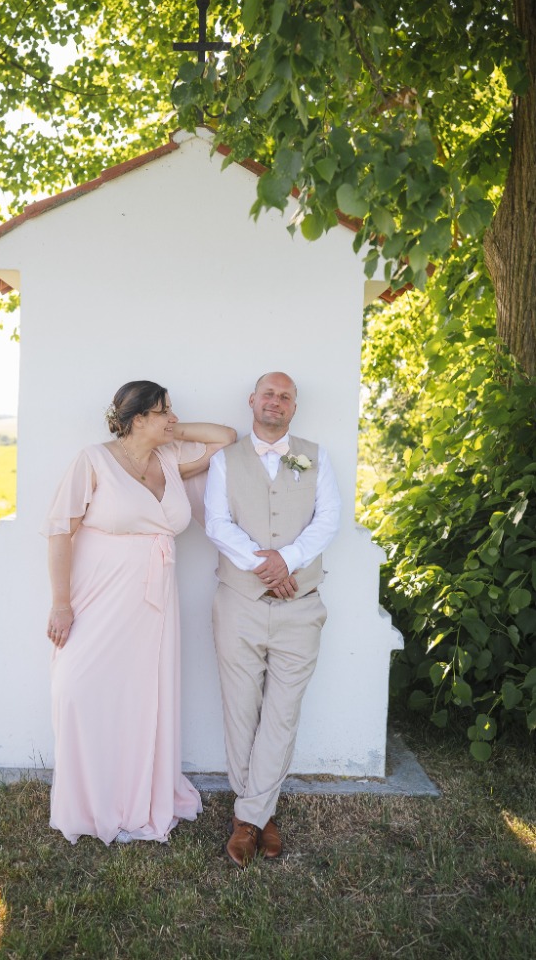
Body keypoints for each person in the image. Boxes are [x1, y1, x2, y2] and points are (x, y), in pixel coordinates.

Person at [42, 380, 235, 846]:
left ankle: (138, 794)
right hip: (97, 597)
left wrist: (174, 429)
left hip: (153, 604)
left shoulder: (170, 459)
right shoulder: (93, 459)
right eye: (163, 411)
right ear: (136, 418)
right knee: (78, 690)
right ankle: (90, 801)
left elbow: (226, 438)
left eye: (172, 410)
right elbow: (58, 532)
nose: (173, 417)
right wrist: (62, 603)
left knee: (142, 696)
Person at [204, 371, 341, 866]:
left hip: (301, 607)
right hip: (238, 603)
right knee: (241, 711)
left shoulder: (316, 456)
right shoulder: (224, 460)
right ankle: (258, 817)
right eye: (269, 393)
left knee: (281, 714)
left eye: (286, 396)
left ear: (294, 407)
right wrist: (266, 567)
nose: (276, 402)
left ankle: (248, 819)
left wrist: (289, 559)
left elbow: (329, 518)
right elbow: (217, 523)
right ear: (252, 401)